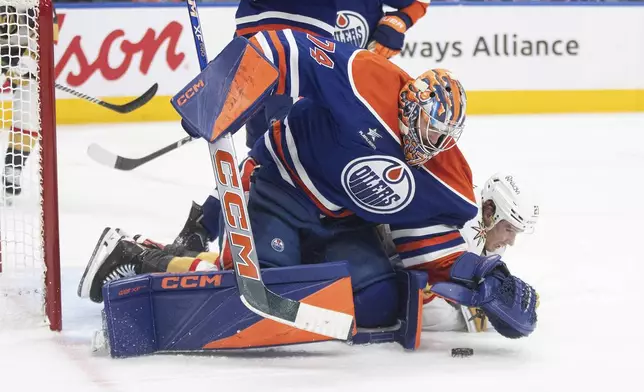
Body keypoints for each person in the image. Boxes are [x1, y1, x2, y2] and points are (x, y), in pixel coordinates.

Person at [79, 30, 538, 339]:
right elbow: (287, 47)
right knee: (262, 288)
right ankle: (139, 256)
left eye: (444, 138)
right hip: (279, 186)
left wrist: (481, 277)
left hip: (345, 224)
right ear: (411, 107)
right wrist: (225, 86)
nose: (431, 145)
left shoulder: (446, 176)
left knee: (378, 303)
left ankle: (245, 245)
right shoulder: (367, 82)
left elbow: (429, 245)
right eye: (429, 129)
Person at [422, 172, 540, 332]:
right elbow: (426, 280)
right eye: (509, 229)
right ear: (489, 212)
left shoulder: (489, 229)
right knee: (438, 313)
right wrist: (487, 312)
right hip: (390, 257)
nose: (511, 241)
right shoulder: (465, 223)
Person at [1, 6, 57, 199]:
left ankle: (13, 169)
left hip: (22, 56)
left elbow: (50, 35)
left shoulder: (40, 4)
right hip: (4, 54)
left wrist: (30, 61)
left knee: (30, 112)